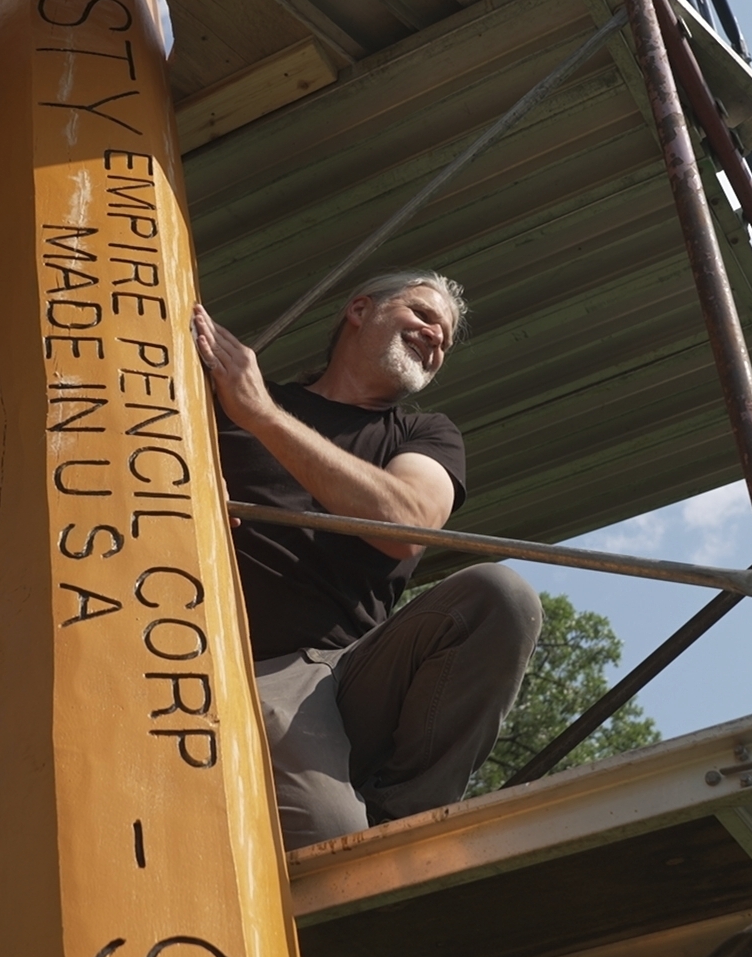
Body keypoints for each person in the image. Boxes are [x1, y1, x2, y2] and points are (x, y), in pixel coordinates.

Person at [192, 270, 542, 849]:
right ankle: (358, 834)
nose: (437, 338)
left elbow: (404, 524)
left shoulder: (426, 433)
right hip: (258, 667)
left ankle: (402, 824)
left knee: (502, 595)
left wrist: (262, 416)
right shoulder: (231, 395)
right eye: (424, 315)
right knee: (332, 839)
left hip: (358, 668)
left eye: (447, 339)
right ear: (360, 310)